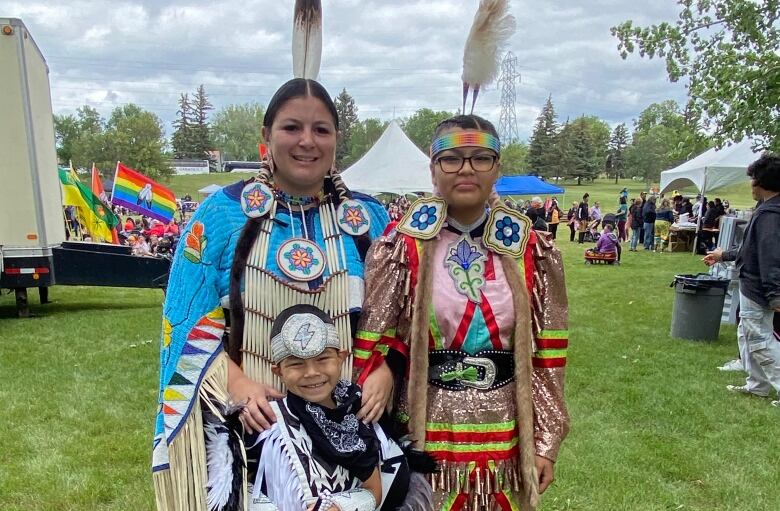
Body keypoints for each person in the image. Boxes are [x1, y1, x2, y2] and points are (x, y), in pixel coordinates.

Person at [152, 78, 391, 510]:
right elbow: (184, 320)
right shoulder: (223, 215)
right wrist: (237, 382)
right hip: (254, 427)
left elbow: (400, 313)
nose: (306, 141)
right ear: (266, 137)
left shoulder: (368, 218)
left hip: (354, 426)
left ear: (337, 139)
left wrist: (388, 368)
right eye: (291, 127)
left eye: (321, 130)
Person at [353, 115, 569, 510]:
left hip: (505, 435)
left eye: (480, 158)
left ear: (497, 167)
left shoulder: (531, 250)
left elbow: (548, 357)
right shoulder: (402, 248)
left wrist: (546, 440)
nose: (466, 168)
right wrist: (380, 364)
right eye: (451, 158)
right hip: (427, 428)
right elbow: (376, 334)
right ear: (433, 169)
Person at [245, 305, 430, 511]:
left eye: (323, 359)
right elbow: (242, 483)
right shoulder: (266, 421)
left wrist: (336, 507)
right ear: (278, 371)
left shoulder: (361, 412)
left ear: (341, 358)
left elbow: (373, 491)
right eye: (297, 364)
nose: (312, 372)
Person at [703, 154, 780, 407]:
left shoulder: (770, 214)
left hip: (760, 289)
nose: (751, 185)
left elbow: (770, 256)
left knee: (759, 340)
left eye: (753, 179)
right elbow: (751, 250)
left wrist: (774, 294)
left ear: (763, 183)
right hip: (754, 287)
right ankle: (757, 386)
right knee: (747, 336)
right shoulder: (767, 210)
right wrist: (723, 255)